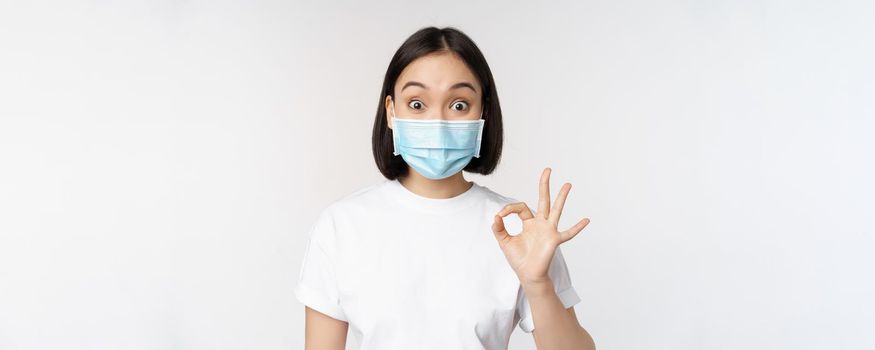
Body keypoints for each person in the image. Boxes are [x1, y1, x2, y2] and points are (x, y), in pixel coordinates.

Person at [294, 26, 596, 350]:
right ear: (391, 112)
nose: (437, 121)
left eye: (459, 105)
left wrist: (538, 284)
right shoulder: (342, 226)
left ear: (484, 113)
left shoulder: (517, 230)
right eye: (417, 104)